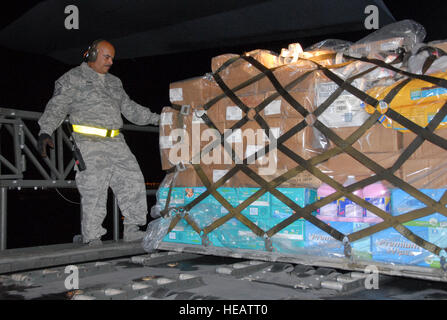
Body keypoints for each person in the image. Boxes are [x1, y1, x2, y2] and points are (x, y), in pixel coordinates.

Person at [37, 39, 160, 246]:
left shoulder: (114, 82)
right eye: (106, 56)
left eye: (112, 57)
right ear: (92, 55)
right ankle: (92, 236)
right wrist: (45, 131)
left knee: (133, 180)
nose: (111, 61)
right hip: (89, 143)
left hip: (116, 141)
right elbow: (57, 106)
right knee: (94, 189)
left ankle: (132, 229)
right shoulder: (72, 78)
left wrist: (160, 118)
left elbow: (131, 109)